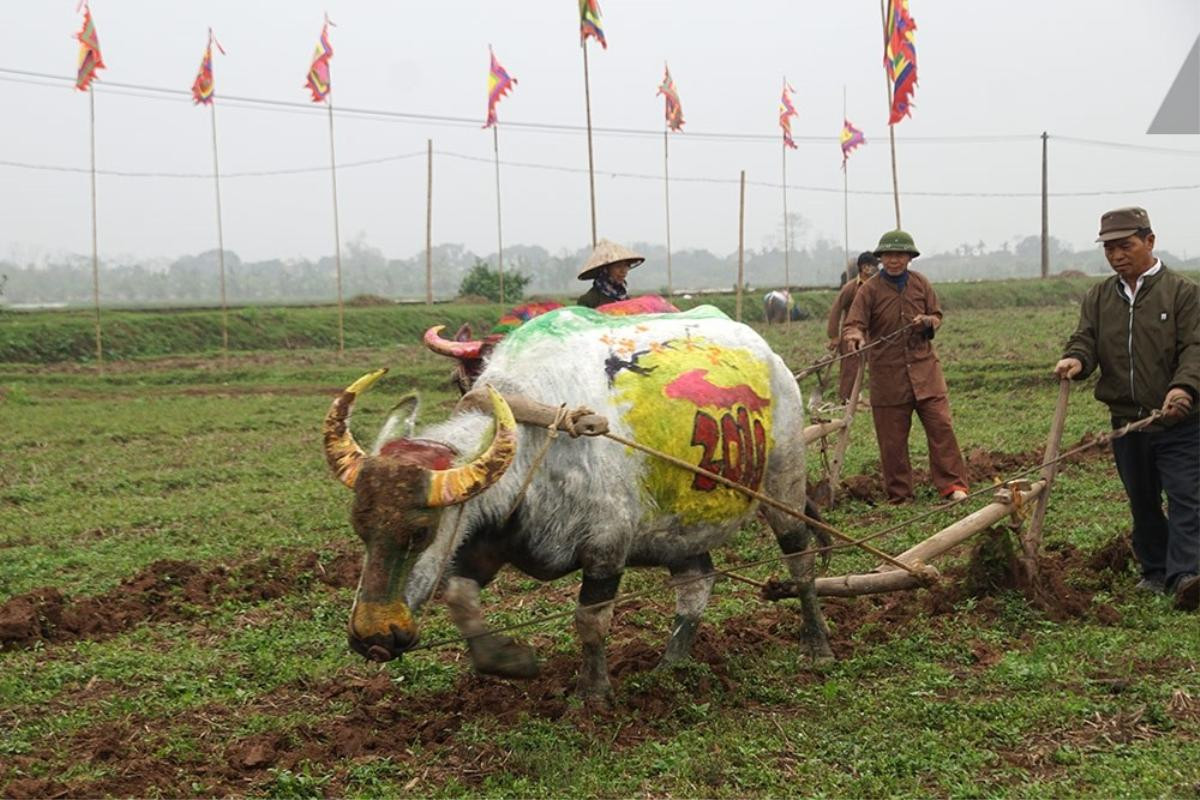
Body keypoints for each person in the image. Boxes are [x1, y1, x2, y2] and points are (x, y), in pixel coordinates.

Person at [1054, 207, 1199, 611]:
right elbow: (1085, 338)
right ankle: (1154, 570)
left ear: (1150, 241)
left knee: (1187, 496)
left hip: (1178, 420)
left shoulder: (1183, 293)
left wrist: (1184, 389)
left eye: (1126, 246)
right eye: (1110, 249)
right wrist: (1076, 360)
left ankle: (1187, 574)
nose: (1117, 255)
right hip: (1128, 423)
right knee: (1142, 499)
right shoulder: (1100, 297)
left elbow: (1195, 349)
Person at [842, 230, 970, 504]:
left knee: (941, 429)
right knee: (892, 441)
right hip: (888, 377)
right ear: (881, 258)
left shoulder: (921, 284)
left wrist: (928, 321)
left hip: (926, 373)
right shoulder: (869, 290)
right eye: (888, 255)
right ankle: (900, 495)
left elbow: (937, 315)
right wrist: (854, 336)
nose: (894, 261)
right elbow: (854, 324)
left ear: (909, 257)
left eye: (899, 255)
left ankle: (953, 486)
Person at [826, 251, 880, 403]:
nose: (875, 269)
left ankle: (875, 397)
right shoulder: (850, 288)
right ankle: (846, 399)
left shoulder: (878, 287)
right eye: (873, 266)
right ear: (864, 267)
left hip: (873, 333)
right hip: (852, 334)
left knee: (878, 365)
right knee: (851, 367)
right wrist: (834, 336)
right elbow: (836, 310)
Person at [576, 239, 645, 308]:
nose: (623, 271)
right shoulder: (589, 301)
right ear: (605, 270)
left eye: (626, 266)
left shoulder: (624, 298)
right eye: (618, 266)